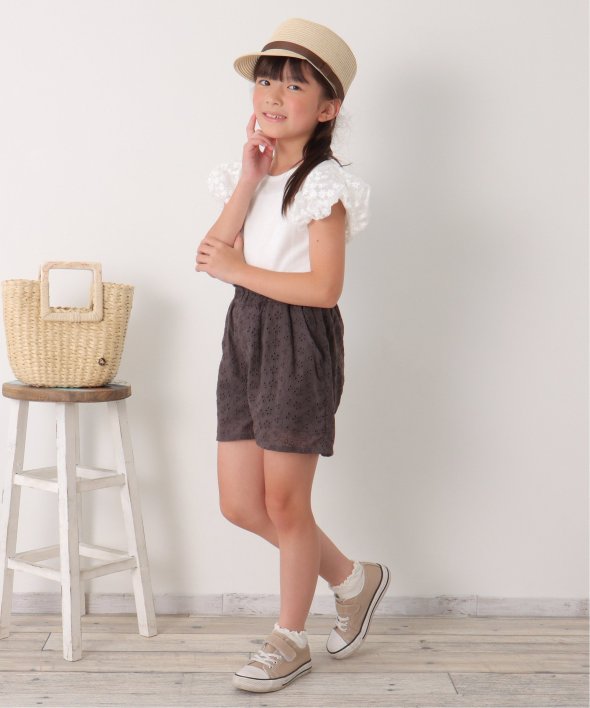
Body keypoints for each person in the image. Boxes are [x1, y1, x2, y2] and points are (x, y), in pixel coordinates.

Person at [195, 17, 390, 694]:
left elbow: (324, 288)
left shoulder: (324, 185)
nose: (274, 96)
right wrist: (248, 181)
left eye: (295, 86)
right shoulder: (249, 174)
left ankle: (289, 638)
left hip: (298, 338)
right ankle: (353, 580)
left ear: (328, 109)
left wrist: (238, 271)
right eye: (267, 81)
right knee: (239, 503)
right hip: (245, 334)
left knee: (285, 503)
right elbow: (210, 254)